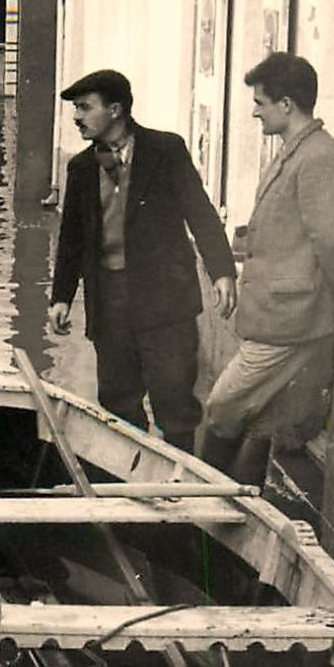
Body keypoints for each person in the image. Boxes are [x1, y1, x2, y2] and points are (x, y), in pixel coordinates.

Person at [49, 69, 236, 454]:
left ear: (115, 109)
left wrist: (222, 272)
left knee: (175, 402)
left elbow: (199, 212)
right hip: (110, 303)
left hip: (165, 302)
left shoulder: (165, 151)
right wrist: (61, 297)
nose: (77, 117)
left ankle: (181, 484)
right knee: (117, 402)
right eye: (76, 109)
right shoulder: (82, 168)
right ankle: (129, 487)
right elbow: (71, 238)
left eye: (85, 107)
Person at [197, 52, 334, 483]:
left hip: (293, 320)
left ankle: (200, 505)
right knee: (260, 422)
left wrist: (332, 308)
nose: (254, 110)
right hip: (276, 314)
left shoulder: (319, 158)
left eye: (260, 102)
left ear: (286, 104)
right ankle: (236, 513)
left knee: (221, 408)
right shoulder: (295, 150)